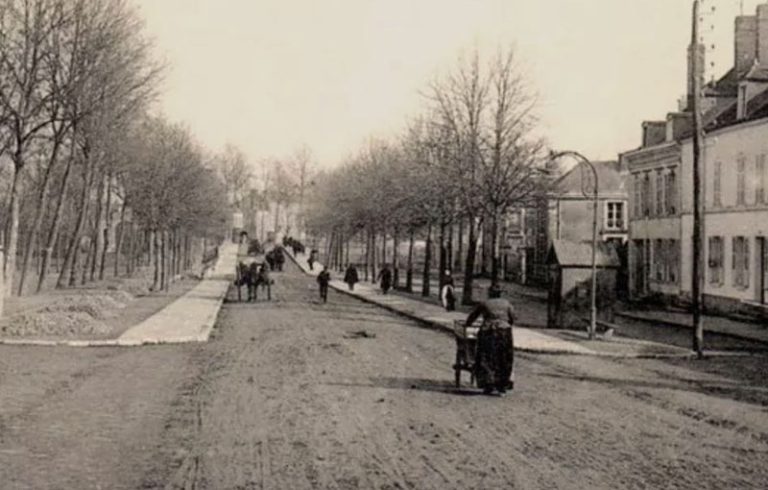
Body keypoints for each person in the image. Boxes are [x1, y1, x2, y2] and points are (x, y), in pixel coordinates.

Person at [465, 284, 515, 396]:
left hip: (488, 332)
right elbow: (512, 318)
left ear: (490, 293)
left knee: (486, 358)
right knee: (504, 358)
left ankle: (488, 384)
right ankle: (502, 385)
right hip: (504, 333)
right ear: (500, 293)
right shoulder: (507, 304)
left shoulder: (485, 304)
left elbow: (473, 316)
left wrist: (468, 325)